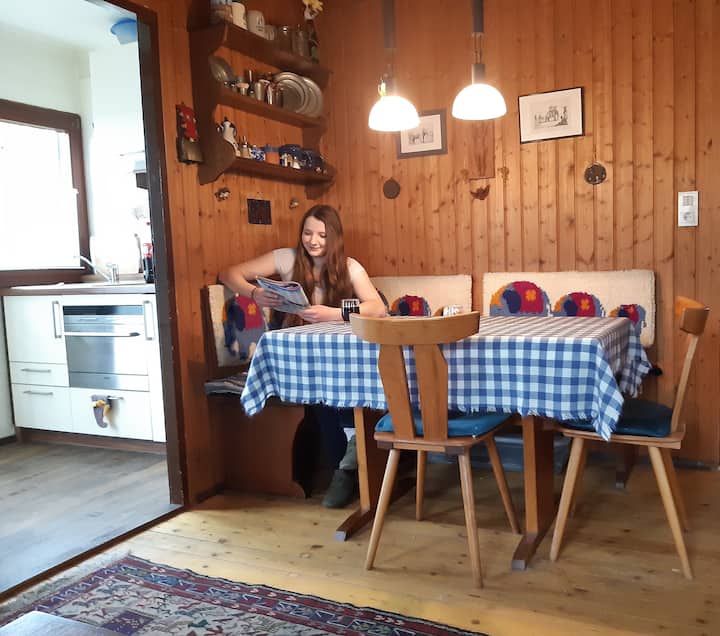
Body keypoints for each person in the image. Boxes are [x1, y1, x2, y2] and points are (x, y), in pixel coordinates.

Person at [219, 205, 387, 508]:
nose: (313, 241)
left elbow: (378, 307)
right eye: (308, 233)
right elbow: (229, 273)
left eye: (322, 235)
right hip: (297, 358)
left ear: (334, 236)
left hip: (340, 354)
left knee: (335, 391)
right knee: (319, 396)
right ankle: (345, 465)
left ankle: (346, 467)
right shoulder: (287, 258)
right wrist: (254, 293)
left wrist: (333, 314)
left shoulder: (349, 266)